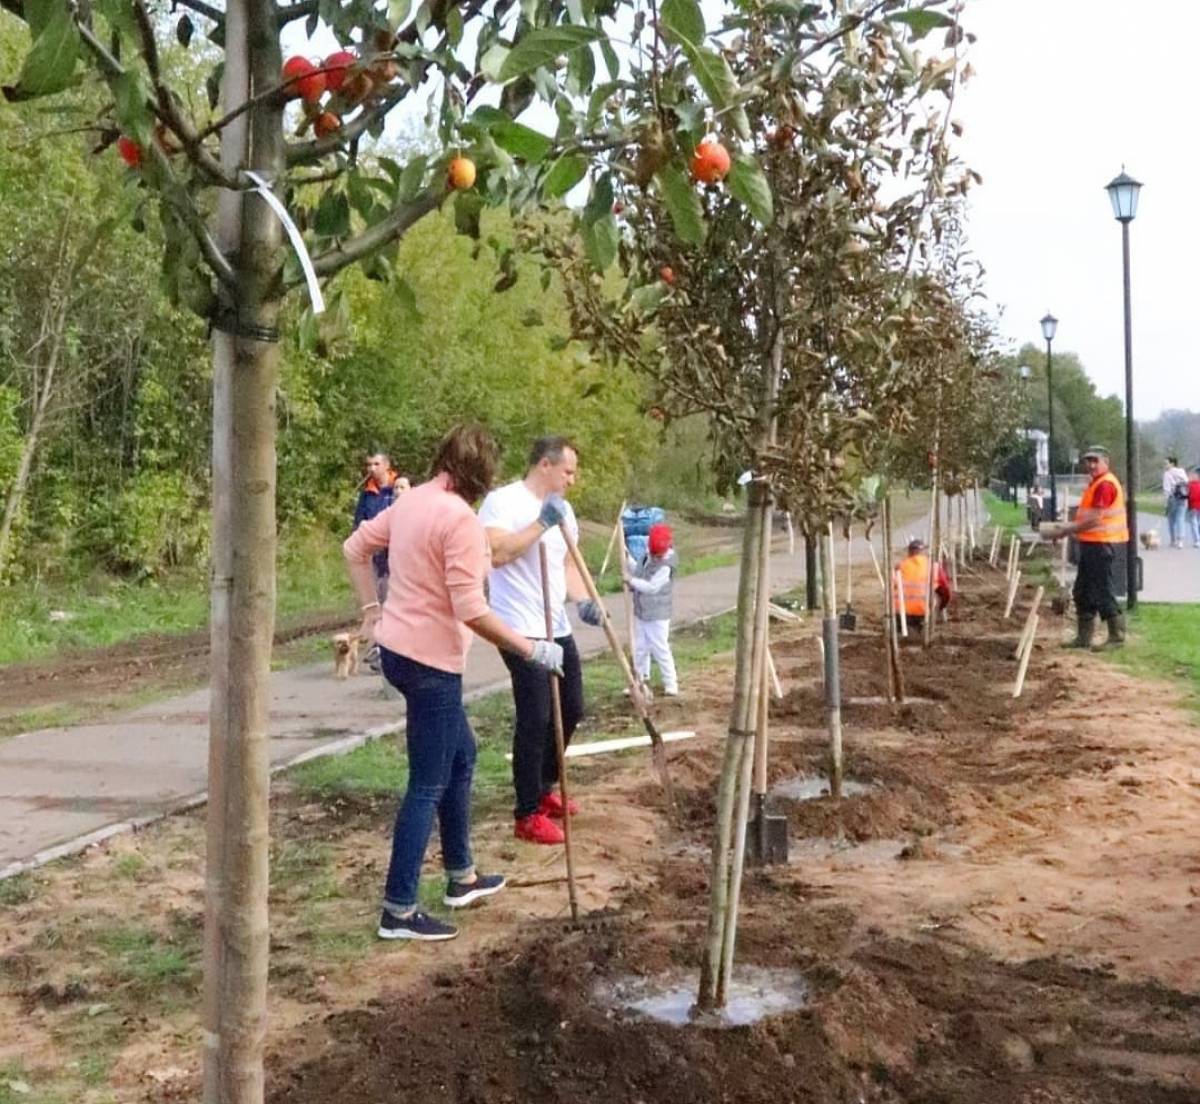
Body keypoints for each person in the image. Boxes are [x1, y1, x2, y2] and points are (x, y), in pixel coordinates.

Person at [343, 425, 565, 942]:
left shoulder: (414, 499)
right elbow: (471, 610)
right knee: (427, 783)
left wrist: (371, 610)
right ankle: (398, 909)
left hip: (399, 651)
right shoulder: (461, 522)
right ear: (483, 473)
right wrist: (532, 649)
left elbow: (354, 548)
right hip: (429, 664)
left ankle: (461, 876)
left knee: (462, 754)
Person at [478, 436, 605, 846]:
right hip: (518, 628)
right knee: (535, 717)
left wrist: (584, 601)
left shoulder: (563, 510)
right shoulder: (503, 502)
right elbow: (495, 553)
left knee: (571, 708)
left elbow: (567, 563)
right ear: (545, 466)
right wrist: (539, 525)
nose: (573, 479)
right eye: (568, 471)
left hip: (556, 625)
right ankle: (526, 812)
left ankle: (546, 785)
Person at [1044, 445, 1128, 649]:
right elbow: (1088, 518)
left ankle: (1116, 636)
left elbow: (1095, 519)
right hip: (1092, 544)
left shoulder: (1105, 485)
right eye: (1088, 461)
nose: (1090, 465)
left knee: (1102, 589)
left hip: (1103, 544)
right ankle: (1084, 637)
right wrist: (1071, 529)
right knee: (1083, 590)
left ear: (1106, 462)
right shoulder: (1096, 483)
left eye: (1095, 461)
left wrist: (1066, 528)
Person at [624, 522, 679, 697]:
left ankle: (671, 683)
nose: (655, 555)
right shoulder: (647, 556)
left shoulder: (666, 566)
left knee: (660, 648)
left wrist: (630, 581)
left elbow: (651, 587)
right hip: (642, 612)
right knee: (640, 648)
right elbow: (638, 571)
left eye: (658, 553)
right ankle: (639, 680)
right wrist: (626, 558)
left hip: (658, 615)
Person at [893, 538, 951, 631]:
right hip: (923, 612)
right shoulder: (933, 566)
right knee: (937, 594)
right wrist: (941, 607)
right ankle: (924, 628)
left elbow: (890, 589)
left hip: (900, 613)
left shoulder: (899, 566)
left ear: (909, 552)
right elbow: (945, 590)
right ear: (923, 552)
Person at [1162, 455, 1189, 549]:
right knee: (1180, 518)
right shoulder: (1182, 471)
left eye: (1166, 463)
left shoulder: (1167, 474)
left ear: (1172, 464)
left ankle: (1173, 540)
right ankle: (1180, 540)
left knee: (1171, 520)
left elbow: (1166, 489)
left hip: (1172, 498)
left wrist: (1165, 504)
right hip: (1183, 497)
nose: (1165, 465)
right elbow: (1187, 482)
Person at [1188, 466, 1200, 549]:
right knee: (1197, 522)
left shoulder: (1189, 485)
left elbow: (1189, 496)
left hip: (1193, 506)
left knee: (1194, 523)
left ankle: (1197, 540)